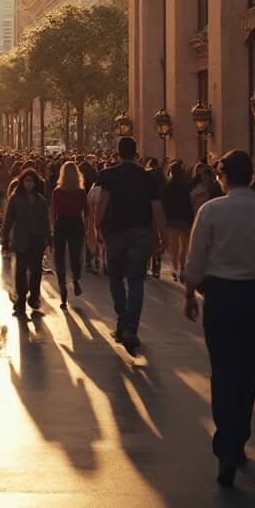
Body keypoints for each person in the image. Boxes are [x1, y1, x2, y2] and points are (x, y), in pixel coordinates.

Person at [182, 149, 255, 489]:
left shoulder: (211, 211)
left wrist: (189, 293)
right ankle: (239, 437)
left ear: (223, 176)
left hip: (221, 297)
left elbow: (196, 255)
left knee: (223, 371)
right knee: (247, 368)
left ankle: (226, 443)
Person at [95, 137, 167, 352]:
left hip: (115, 232)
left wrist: (97, 227)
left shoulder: (108, 175)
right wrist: (164, 237)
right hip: (140, 232)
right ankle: (131, 327)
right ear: (136, 154)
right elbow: (157, 209)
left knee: (116, 277)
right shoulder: (149, 178)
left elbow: (103, 202)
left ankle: (122, 320)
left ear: (117, 152)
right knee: (136, 280)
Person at [2, 167, 52, 318]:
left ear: (36, 183)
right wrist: (4, 236)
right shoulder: (15, 199)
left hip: (37, 240)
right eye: (26, 180)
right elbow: (9, 218)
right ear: (22, 182)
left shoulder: (41, 200)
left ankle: (34, 296)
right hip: (21, 239)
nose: (29, 184)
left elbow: (45, 221)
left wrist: (48, 240)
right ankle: (21, 301)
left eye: (31, 181)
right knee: (21, 272)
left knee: (36, 271)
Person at [50, 160, 87, 308]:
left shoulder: (57, 192)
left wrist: (53, 227)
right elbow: (86, 212)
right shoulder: (81, 192)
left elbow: (53, 212)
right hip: (77, 223)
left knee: (59, 256)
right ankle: (76, 279)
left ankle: (62, 288)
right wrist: (89, 229)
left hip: (61, 223)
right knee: (75, 254)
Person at [161, 160, 194, 282]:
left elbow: (162, 204)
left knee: (174, 245)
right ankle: (183, 266)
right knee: (184, 245)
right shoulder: (187, 185)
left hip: (172, 219)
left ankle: (174, 268)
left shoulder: (167, 187)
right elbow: (190, 202)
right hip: (185, 218)